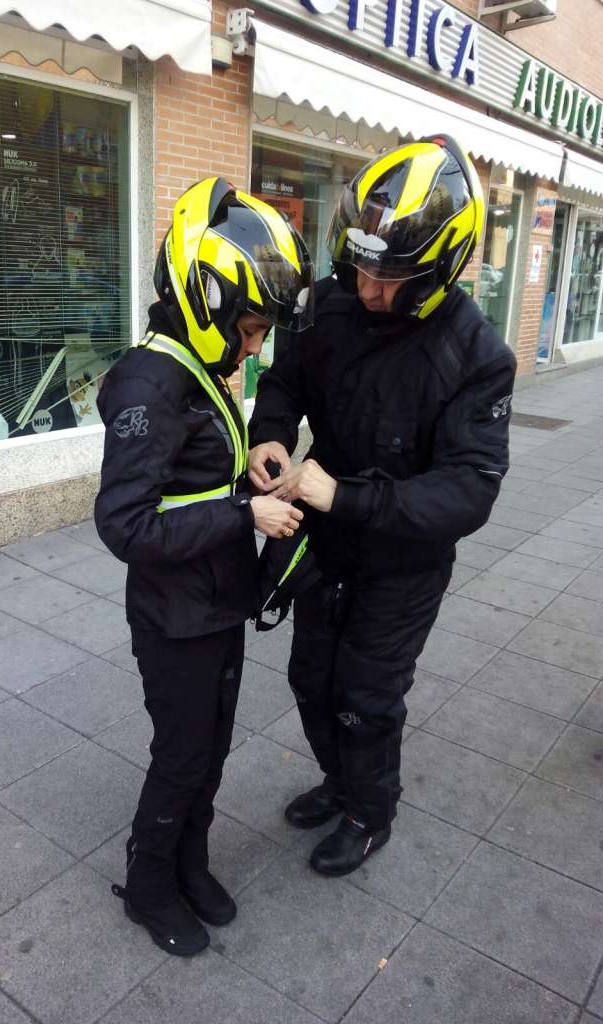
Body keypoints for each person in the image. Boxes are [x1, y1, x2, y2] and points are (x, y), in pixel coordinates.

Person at [247, 135, 517, 877]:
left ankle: (371, 812)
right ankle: (339, 784)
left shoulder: (478, 355)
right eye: (360, 267)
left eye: (389, 278)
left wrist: (345, 494)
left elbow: (470, 488)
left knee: (365, 696)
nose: (366, 289)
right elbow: (285, 380)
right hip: (326, 543)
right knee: (311, 679)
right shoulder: (332, 301)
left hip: (402, 563)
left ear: (440, 268)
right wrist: (269, 435)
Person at [95, 177, 314, 956]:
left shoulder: (193, 366)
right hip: (174, 619)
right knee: (182, 755)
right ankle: (149, 885)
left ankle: (190, 862)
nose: (254, 348)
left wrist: (245, 477)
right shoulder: (148, 383)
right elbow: (125, 524)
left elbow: (190, 484)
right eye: (250, 330)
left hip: (216, 603)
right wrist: (242, 514)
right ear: (205, 300)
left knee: (212, 750)